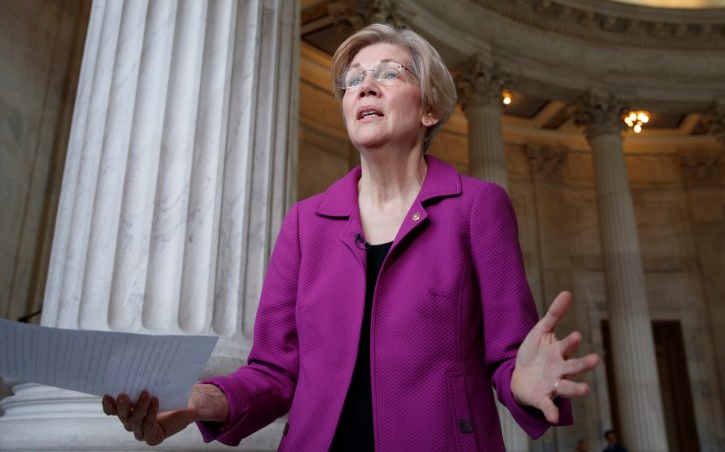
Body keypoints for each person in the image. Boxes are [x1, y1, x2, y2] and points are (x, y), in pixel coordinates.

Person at [103, 24, 600, 450]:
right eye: (353, 81)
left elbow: (511, 355)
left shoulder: (479, 207)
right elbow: (275, 374)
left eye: (389, 74)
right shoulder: (304, 223)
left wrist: (524, 380)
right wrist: (196, 403)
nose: (366, 87)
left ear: (429, 111)